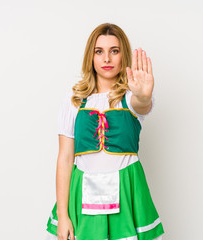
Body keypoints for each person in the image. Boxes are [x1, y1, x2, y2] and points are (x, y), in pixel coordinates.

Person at [45, 23, 165, 240]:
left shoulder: (129, 97)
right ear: (90, 56)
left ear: (123, 56)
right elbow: (64, 158)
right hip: (82, 195)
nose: (107, 59)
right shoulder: (74, 100)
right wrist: (63, 215)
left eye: (114, 51)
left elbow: (141, 103)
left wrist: (143, 95)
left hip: (127, 193)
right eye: (99, 51)